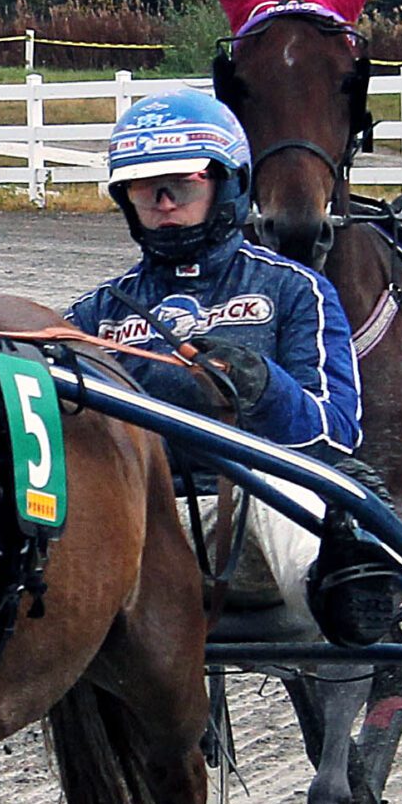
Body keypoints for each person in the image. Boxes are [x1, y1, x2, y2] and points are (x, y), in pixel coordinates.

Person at [67, 89, 370, 630]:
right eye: (144, 188)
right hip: (132, 524)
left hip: (250, 519)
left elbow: (337, 434)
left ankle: (339, 610)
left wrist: (265, 388)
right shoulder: (95, 312)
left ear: (229, 185)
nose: (163, 202)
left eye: (182, 184)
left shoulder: (295, 290)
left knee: (288, 489)